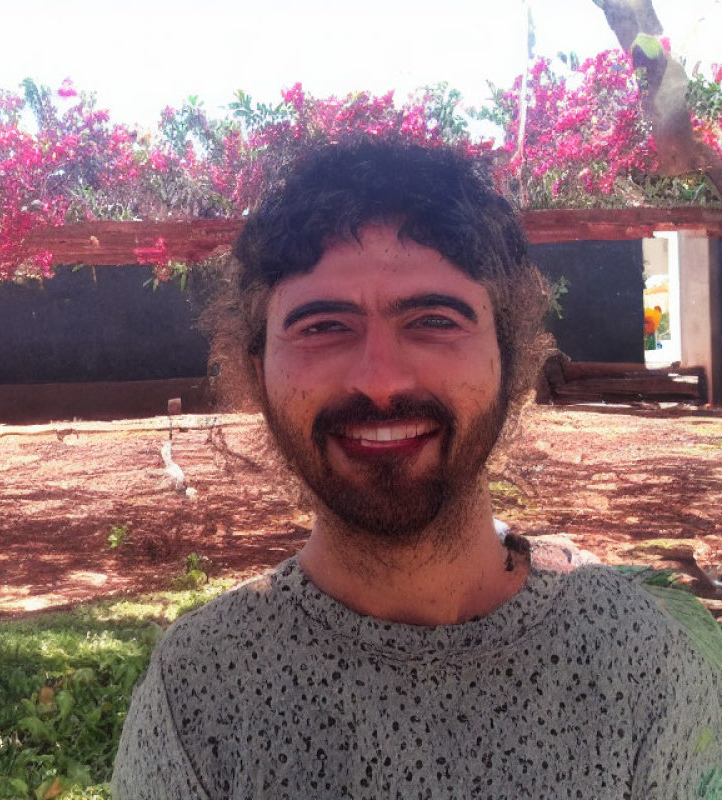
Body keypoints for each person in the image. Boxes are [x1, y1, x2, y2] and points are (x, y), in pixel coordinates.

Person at [111, 138, 722, 799]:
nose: (380, 381)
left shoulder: (642, 654)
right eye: (322, 326)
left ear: (508, 360)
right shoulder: (200, 689)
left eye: (434, 319)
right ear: (257, 373)